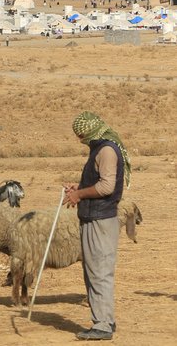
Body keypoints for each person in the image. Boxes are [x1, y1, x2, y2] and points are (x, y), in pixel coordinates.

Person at [64, 111, 131, 341]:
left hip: (100, 220)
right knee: (95, 270)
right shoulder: (102, 147)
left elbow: (106, 187)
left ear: (89, 131)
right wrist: (80, 186)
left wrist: (79, 194)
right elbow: (99, 182)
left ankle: (102, 325)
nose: (80, 139)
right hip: (97, 217)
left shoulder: (106, 151)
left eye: (81, 135)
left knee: (99, 272)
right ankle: (105, 320)